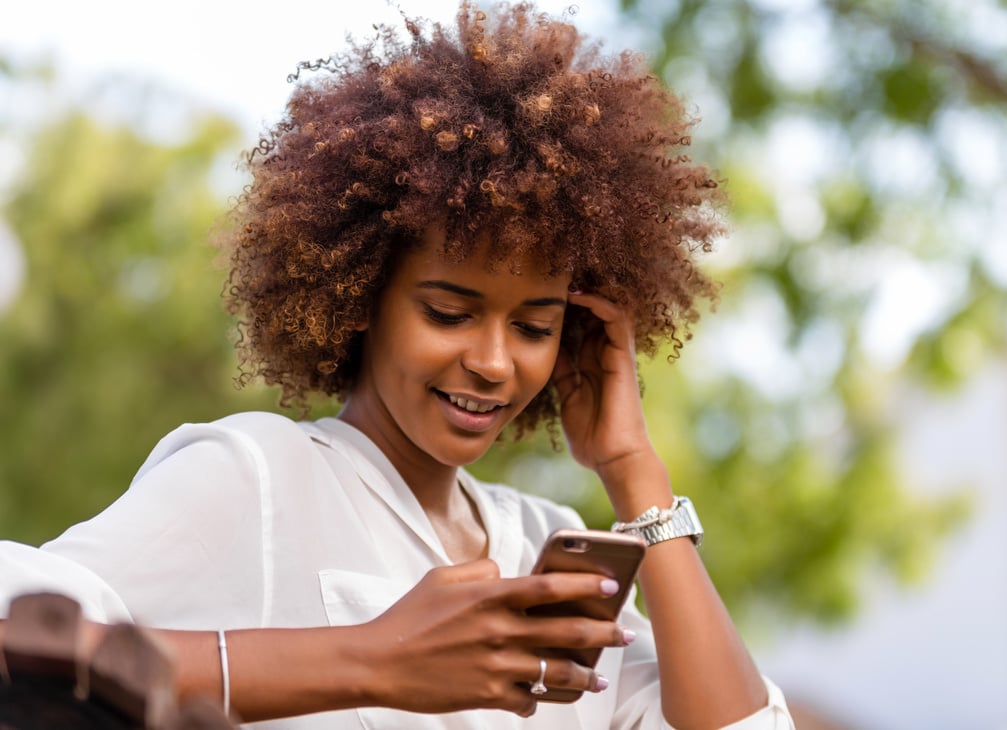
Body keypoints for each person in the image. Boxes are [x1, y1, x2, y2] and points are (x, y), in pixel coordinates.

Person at [1, 3, 795, 728]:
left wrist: (634, 474)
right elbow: (19, 641)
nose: (491, 361)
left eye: (533, 325)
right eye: (448, 313)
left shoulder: (545, 544)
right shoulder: (259, 477)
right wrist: (372, 660)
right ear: (360, 297)